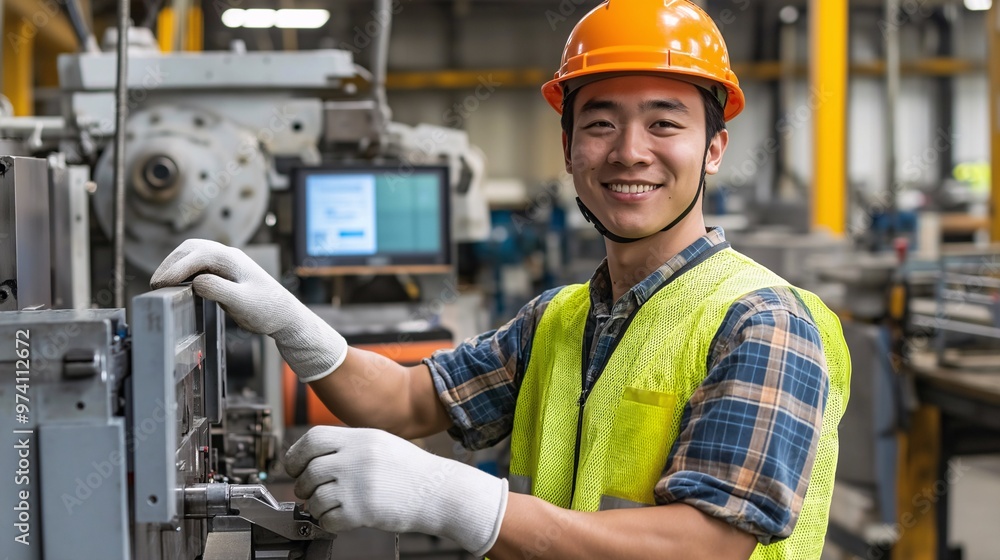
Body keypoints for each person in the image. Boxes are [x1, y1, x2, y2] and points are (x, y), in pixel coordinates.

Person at [151, 1, 850, 558]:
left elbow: (703, 546)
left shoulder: (763, 322)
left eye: (665, 124)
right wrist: (290, 323)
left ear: (714, 149)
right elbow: (402, 398)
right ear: (570, 147)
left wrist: (457, 501)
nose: (630, 152)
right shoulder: (559, 320)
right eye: (601, 124)